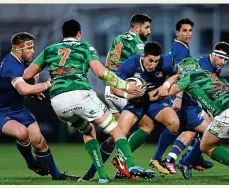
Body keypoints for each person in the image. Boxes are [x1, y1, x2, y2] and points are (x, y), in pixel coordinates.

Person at [23, 19, 153, 184]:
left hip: (58, 102)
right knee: (115, 129)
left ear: (63, 35)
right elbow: (101, 73)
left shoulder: (49, 49)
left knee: (87, 130)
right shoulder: (84, 46)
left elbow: (27, 74)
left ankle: (102, 175)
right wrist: (126, 86)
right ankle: (131, 165)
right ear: (79, 34)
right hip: (81, 94)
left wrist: (36, 86)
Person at [150, 57, 229, 181]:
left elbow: (168, 92)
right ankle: (186, 162)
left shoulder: (188, 76)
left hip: (228, 112)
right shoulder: (210, 74)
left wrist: (158, 88)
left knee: (206, 146)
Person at [81, 14, 154, 181]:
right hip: (122, 90)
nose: (149, 31)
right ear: (136, 28)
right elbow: (145, 65)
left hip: (110, 89)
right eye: (147, 27)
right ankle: (122, 162)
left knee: (117, 135)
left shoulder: (118, 39)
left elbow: (107, 62)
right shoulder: (138, 43)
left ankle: (91, 174)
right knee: (147, 125)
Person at [0, 32, 78, 180]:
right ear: (18, 49)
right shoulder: (11, 66)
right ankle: (31, 162)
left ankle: (57, 176)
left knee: (39, 141)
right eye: (29, 48)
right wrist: (49, 83)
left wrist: (32, 90)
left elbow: (21, 85)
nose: (33, 51)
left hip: (17, 108)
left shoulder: (19, 62)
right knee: (22, 133)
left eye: (33, 47)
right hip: (2, 111)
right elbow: (23, 89)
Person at [108, 41, 181, 178]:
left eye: (156, 61)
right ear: (143, 56)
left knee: (174, 124)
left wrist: (166, 84)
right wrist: (127, 95)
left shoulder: (166, 62)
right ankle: (121, 164)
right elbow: (113, 86)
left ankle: (156, 158)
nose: (153, 65)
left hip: (155, 102)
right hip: (136, 101)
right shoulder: (131, 64)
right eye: (150, 60)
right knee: (121, 133)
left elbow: (176, 74)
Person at [150, 18, 213, 174]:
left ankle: (187, 158)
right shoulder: (180, 49)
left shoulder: (181, 47)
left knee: (183, 127)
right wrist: (178, 97)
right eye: (184, 30)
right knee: (204, 130)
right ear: (177, 32)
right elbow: (180, 75)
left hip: (182, 96)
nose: (188, 33)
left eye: (190, 30)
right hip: (180, 96)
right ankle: (182, 159)